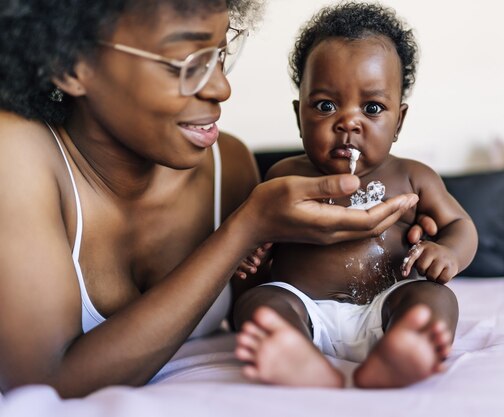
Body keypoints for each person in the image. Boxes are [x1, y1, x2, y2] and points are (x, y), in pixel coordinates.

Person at [0, 0, 432, 398]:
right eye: (184, 63)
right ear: (70, 65)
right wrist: (246, 226)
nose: (222, 88)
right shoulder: (17, 153)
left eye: (221, 53)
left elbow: (274, 301)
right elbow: (46, 384)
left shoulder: (231, 164)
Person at [232, 2, 478, 389]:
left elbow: (460, 225)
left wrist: (447, 253)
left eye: (373, 107)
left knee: (437, 300)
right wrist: (252, 255)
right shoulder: (284, 176)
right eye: (326, 105)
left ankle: (405, 348)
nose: (348, 121)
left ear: (399, 121)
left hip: (389, 305)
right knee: (260, 305)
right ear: (300, 116)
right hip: (304, 307)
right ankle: (290, 353)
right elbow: (255, 238)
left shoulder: (414, 177)